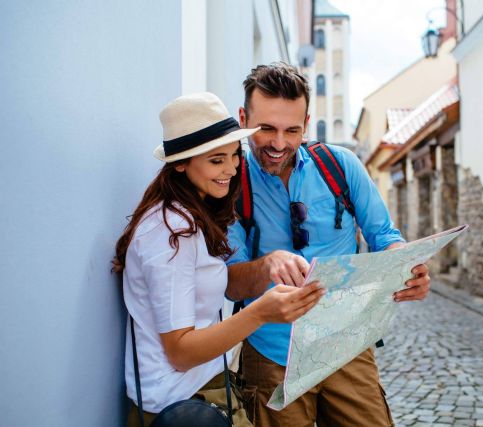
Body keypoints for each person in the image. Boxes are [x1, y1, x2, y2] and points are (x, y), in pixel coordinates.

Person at [225, 63, 431, 426]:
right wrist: (266, 264)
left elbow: (385, 237)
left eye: (291, 130)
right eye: (265, 129)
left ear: (306, 123)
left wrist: (407, 267)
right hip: (273, 353)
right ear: (243, 118)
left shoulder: (341, 165)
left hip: (346, 343)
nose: (278, 143)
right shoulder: (228, 184)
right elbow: (229, 284)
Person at [112, 92, 325, 427]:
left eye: (233, 156)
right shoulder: (172, 232)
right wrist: (260, 312)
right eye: (216, 160)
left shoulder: (188, 218)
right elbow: (180, 352)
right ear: (181, 163)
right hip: (182, 404)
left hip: (202, 391)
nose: (230, 169)